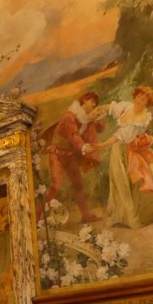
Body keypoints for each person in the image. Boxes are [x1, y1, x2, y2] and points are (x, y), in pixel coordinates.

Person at [95, 85, 153, 228]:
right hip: (118, 150)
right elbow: (111, 108)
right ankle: (122, 215)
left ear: (147, 103)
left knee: (144, 179)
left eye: (144, 99)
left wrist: (102, 145)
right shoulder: (126, 106)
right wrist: (99, 109)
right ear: (135, 96)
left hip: (132, 150)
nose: (140, 100)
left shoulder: (143, 118)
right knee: (119, 181)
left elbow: (123, 136)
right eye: (139, 96)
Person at [42, 91, 105, 223]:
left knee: (78, 186)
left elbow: (100, 129)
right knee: (55, 186)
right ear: (84, 100)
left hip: (70, 156)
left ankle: (86, 215)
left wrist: (100, 117)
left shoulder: (85, 120)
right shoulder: (69, 117)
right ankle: (37, 216)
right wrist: (83, 146)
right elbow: (73, 135)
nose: (94, 105)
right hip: (57, 154)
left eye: (96, 103)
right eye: (92, 102)